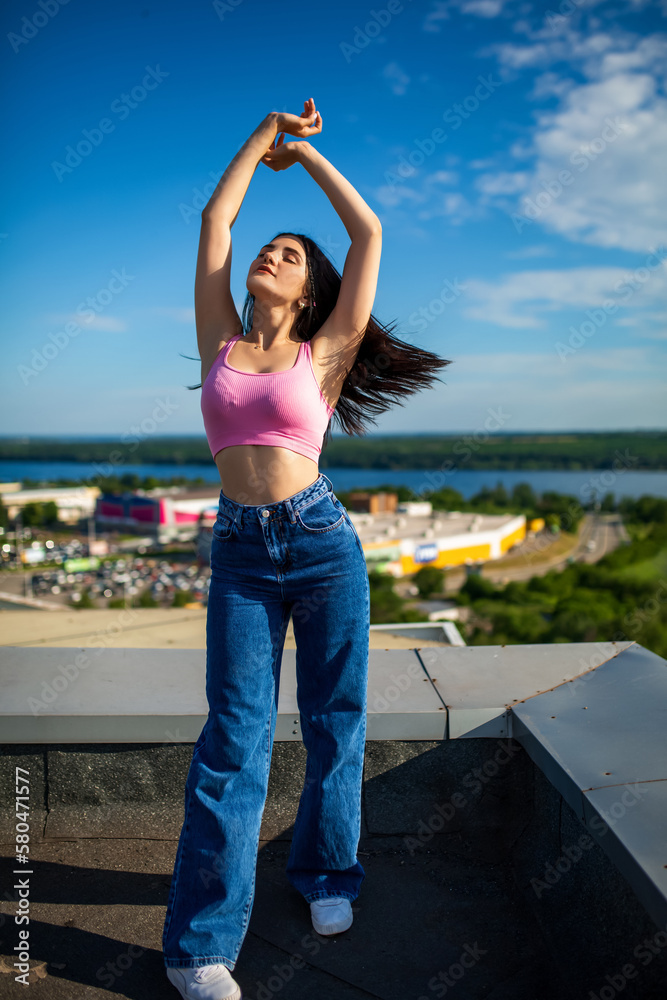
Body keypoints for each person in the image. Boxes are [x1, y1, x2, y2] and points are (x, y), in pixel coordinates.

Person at [162, 99, 451, 1000]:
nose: (270, 254)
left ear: (310, 292)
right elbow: (216, 219)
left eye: (289, 255)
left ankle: (327, 876)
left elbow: (365, 232)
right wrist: (261, 138)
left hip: (322, 543)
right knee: (234, 740)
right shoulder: (219, 337)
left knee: (334, 722)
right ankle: (199, 948)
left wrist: (310, 161)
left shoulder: (326, 351)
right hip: (242, 550)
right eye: (269, 250)